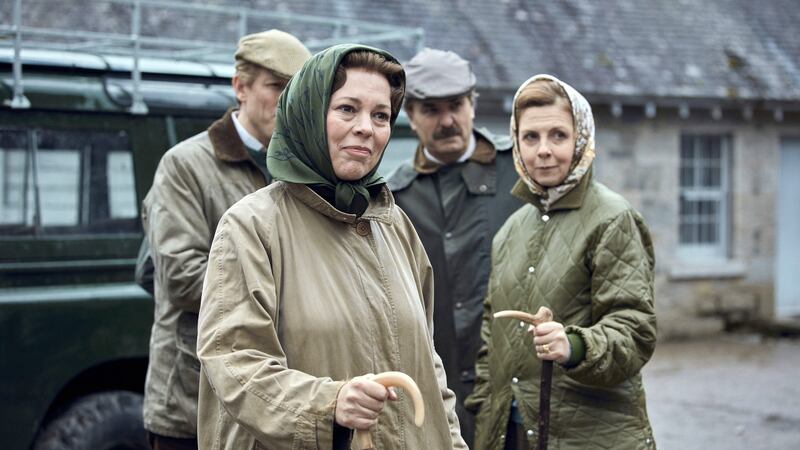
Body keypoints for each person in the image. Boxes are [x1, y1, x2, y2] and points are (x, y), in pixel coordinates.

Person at [196, 44, 467, 449]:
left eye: (381, 115)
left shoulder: (394, 224)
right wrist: (328, 404)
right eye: (347, 109)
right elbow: (235, 363)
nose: (366, 128)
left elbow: (428, 365)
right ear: (308, 114)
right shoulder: (251, 226)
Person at [466, 74, 657, 449]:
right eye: (530, 137)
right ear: (516, 142)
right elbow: (491, 337)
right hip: (510, 433)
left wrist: (574, 346)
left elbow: (634, 330)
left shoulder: (612, 219)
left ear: (581, 138)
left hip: (589, 436)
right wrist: (484, 411)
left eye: (558, 135)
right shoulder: (511, 230)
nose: (543, 150)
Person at [140, 30, 310, 449]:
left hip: (280, 399)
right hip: (193, 400)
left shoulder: (306, 169)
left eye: (297, 90)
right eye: (276, 87)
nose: (288, 102)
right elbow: (181, 277)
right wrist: (296, 290)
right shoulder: (186, 165)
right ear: (240, 87)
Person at [386, 47, 523, 447]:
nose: (447, 121)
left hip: (516, 399)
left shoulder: (521, 173)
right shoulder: (393, 199)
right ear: (411, 115)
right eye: (431, 110)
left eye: (456, 106)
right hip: (436, 401)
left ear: (472, 105)